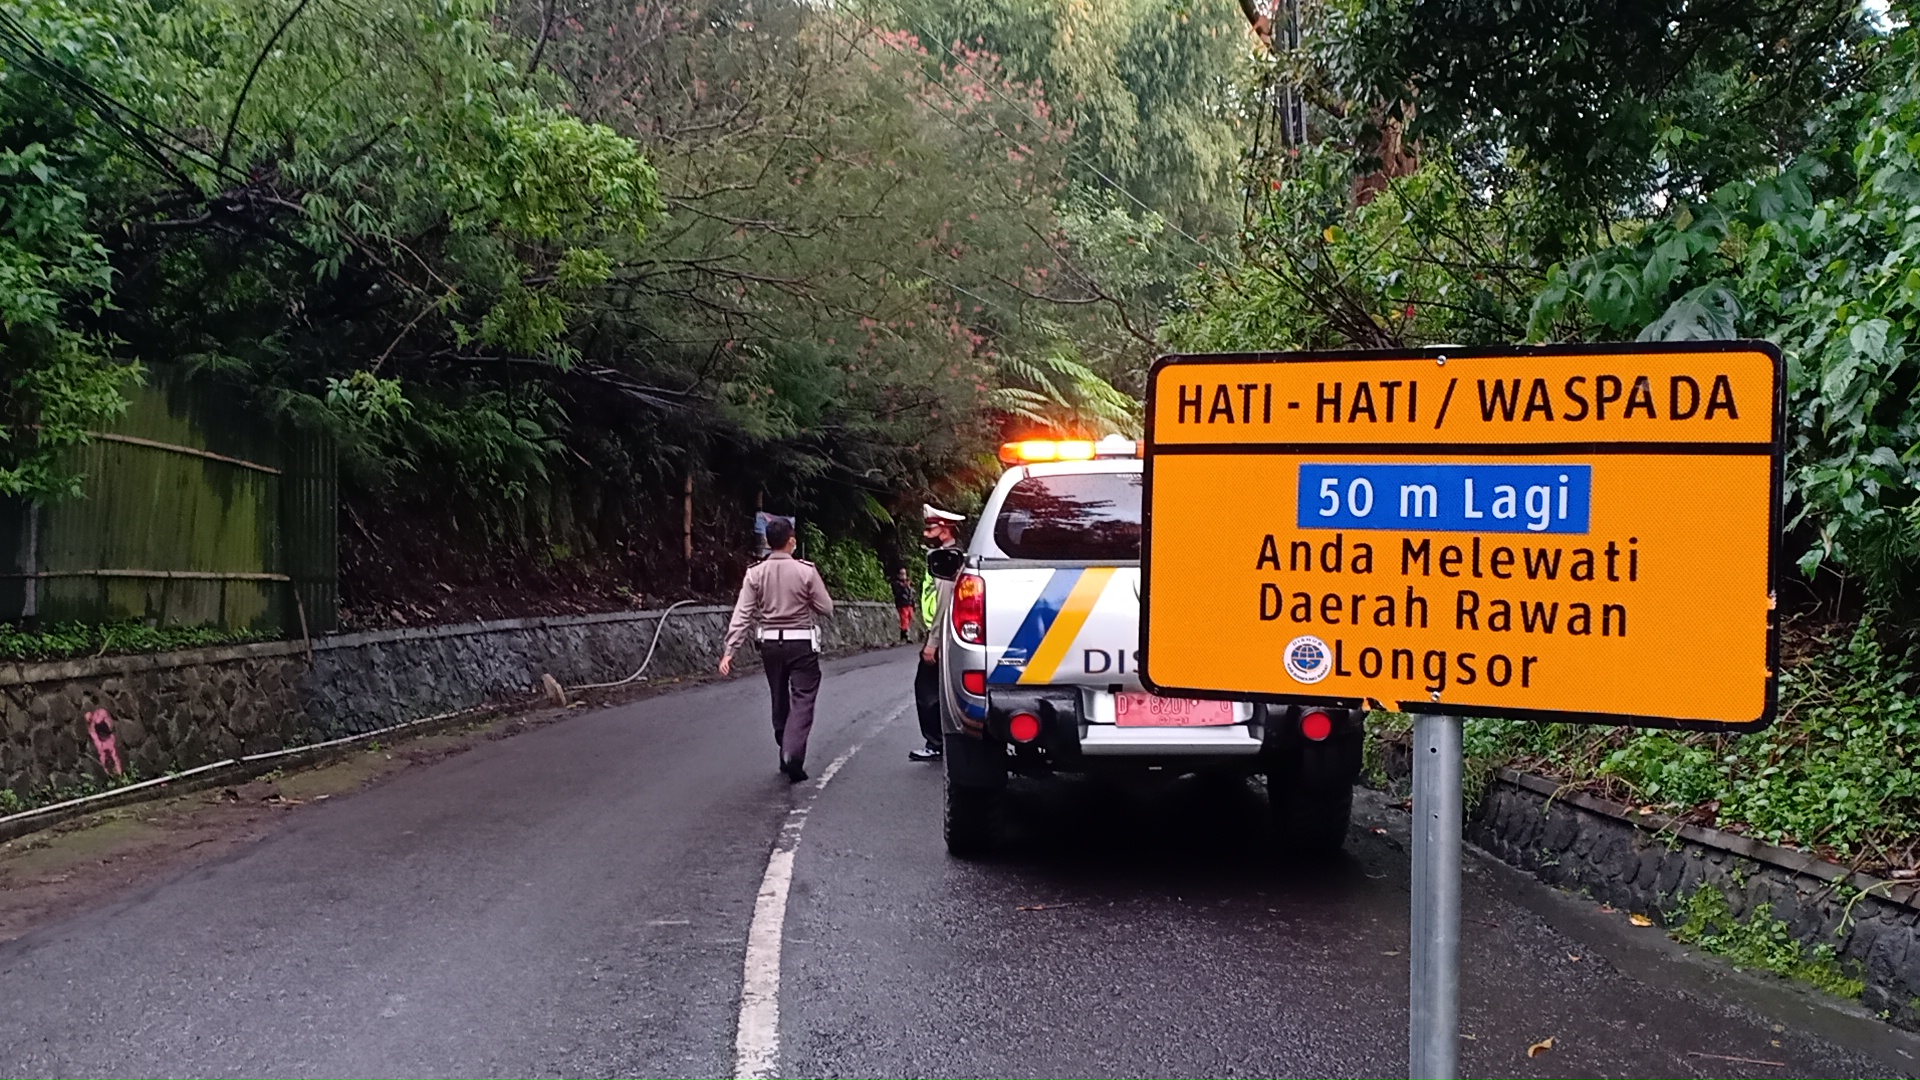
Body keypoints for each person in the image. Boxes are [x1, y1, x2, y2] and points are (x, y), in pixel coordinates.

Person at [719, 517, 835, 782]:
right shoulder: (806, 571)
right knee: (803, 697)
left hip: (770, 644)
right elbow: (826, 607)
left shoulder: (755, 573)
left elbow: (743, 613)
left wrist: (730, 650)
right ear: (791, 541)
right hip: (801, 642)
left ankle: (783, 741)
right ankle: (792, 752)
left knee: (778, 695)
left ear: (768, 542)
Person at [911, 504, 966, 762]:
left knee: (927, 691)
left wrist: (933, 642)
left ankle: (935, 743)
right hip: (947, 634)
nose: (926, 533)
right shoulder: (953, 556)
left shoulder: (945, 559)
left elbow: (944, 602)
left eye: (930, 529)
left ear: (944, 531)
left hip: (942, 635)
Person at [890, 568, 916, 642]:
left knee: (909, 618)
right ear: (898, 575)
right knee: (904, 619)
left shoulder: (908, 584)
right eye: (902, 574)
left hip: (909, 604)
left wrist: (913, 603)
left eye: (904, 574)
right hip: (902, 604)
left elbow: (911, 594)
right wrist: (904, 586)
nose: (903, 576)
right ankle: (905, 635)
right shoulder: (896, 584)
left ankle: (905, 633)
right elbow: (897, 593)